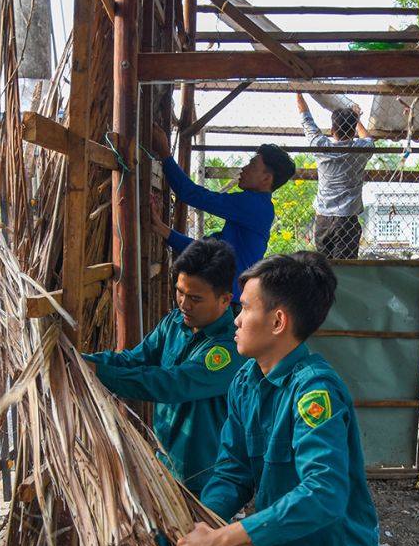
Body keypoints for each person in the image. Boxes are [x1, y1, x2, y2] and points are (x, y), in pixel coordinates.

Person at [175, 251, 379, 546]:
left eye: (245, 308)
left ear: (278, 321)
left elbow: (324, 491)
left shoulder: (314, 391)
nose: (235, 319)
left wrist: (224, 540)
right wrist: (203, 523)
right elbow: (233, 470)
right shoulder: (245, 381)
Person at [82, 238, 243, 496]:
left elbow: (172, 384)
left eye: (195, 298)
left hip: (206, 477)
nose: (184, 303)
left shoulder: (228, 348)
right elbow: (134, 359)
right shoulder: (174, 323)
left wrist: (100, 373)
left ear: (225, 300)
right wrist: (85, 361)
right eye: (180, 291)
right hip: (166, 466)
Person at [150, 125, 296, 300]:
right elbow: (206, 251)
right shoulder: (259, 207)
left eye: (252, 164)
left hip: (227, 301)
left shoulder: (252, 204)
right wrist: (162, 229)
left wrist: (165, 155)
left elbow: (191, 194)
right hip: (230, 298)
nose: (244, 168)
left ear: (266, 179)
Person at [295, 93, 375, 260]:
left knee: (324, 267)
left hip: (323, 218)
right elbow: (367, 138)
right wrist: (356, 118)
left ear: (332, 130)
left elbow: (306, 119)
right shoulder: (360, 150)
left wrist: (298, 93)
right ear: (353, 132)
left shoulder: (321, 146)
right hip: (347, 220)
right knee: (346, 271)